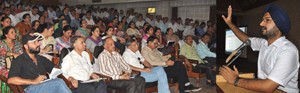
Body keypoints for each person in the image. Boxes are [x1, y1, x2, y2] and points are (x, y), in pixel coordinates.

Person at [219, 5, 299, 93]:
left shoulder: (288, 51)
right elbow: (245, 39)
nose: (261, 24)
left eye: (267, 20)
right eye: (262, 20)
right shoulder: (263, 43)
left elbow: (267, 87)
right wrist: (230, 23)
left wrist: (236, 80)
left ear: (279, 25)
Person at [7, 33, 72, 93]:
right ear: (26, 46)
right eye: (34, 42)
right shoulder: (19, 60)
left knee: (59, 83)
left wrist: (68, 78)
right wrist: (33, 81)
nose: (38, 44)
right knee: (58, 83)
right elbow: (11, 80)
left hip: (44, 86)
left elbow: (55, 69)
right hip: (29, 89)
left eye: (38, 41)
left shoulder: (41, 59)